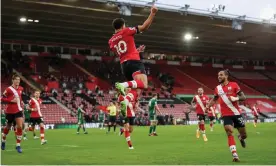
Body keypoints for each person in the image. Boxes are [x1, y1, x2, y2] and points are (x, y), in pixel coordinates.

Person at [108, 5, 158, 96]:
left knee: (135, 90)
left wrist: (136, 51)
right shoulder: (126, 31)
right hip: (134, 62)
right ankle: (123, 85)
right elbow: (144, 27)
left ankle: (126, 104)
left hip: (124, 66)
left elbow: (122, 53)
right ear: (123, 25)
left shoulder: (111, 41)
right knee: (143, 84)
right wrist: (152, 13)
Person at [207, 70, 247, 162]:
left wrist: (236, 98)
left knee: (244, 135)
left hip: (236, 113)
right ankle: (235, 155)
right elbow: (214, 99)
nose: (219, 76)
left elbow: (244, 97)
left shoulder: (234, 85)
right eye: (218, 75)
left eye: (221, 75)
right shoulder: (217, 88)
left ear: (226, 76)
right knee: (229, 131)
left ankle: (240, 137)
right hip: (226, 114)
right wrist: (207, 106)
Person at [1, 74, 24, 153]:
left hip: (18, 110)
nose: (18, 81)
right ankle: (3, 140)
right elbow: (2, 98)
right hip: (10, 111)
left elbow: (19, 97)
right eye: (16, 79)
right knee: (8, 127)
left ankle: (18, 145)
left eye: (19, 80)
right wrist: (11, 100)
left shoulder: (21, 88)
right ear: (13, 80)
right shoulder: (8, 89)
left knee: (20, 126)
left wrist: (21, 102)